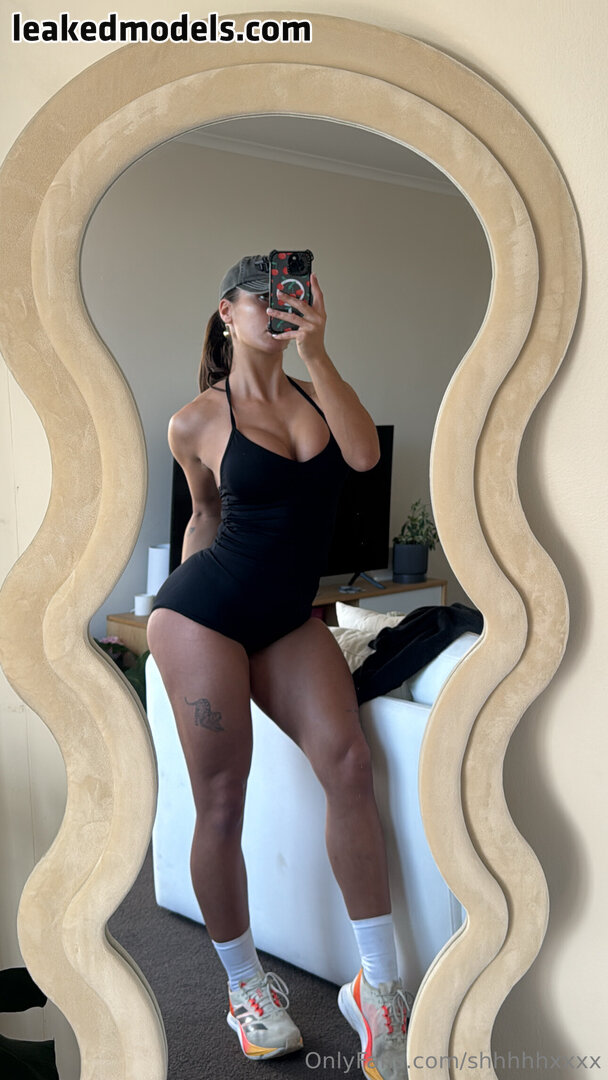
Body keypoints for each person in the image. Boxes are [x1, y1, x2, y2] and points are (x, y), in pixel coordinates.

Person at [147, 255, 412, 1080]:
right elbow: (204, 516)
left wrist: (318, 353)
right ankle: (244, 989)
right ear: (228, 312)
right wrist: (176, 634)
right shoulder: (195, 420)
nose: (276, 306)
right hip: (203, 614)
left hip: (289, 619)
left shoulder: (317, 391)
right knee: (222, 798)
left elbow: (363, 459)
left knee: (350, 764)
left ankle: (378, 987)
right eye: (259, 296)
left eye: (288, 293)